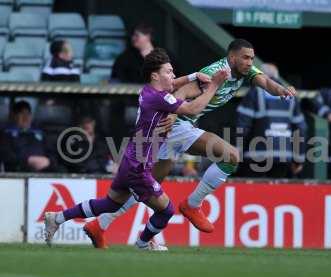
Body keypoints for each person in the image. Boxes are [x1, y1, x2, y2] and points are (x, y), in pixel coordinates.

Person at [82, 38, 296, 249]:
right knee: (231, 156)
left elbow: (267, 82)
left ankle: (101, 225)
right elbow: (184, 91)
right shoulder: (216, 72)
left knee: (146, 186)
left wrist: (283, 90)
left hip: (176, 129)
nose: (250, 62)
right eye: (246, 58)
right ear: (232, 57)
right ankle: (192, 205)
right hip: (179, 125)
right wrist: (174, 115)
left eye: (251, 58)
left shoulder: (247, 71)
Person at [44, 48, 228, 251]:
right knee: (166, 211)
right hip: (139, 166)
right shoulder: (159, 98)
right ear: (155, 75)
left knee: (110, 204)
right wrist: (214, 86)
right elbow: (193, 109)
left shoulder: (149, 91)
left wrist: (193, 76)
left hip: (131, 158)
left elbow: (174, 84)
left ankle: (57, 218)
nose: (173, 76)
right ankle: (143, 244)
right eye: (168, 71)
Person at [111, 23, 180, 83]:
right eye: (133, 36)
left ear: (148, 36)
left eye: (137, 35)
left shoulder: (165, 55)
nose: (133, 38)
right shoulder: (124, 58)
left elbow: (177, 74)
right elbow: (117, 78)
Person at [2, 101, 58, 172]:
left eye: (28, 114)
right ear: (14, 116)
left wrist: (49, 161)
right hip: (19, 170)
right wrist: (28, 160)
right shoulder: (6, 134)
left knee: (61, 170)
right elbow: (6, 156)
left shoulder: (40, 133)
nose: (26, 117)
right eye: (21, 113)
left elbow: (52, 153)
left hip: (44, 169)